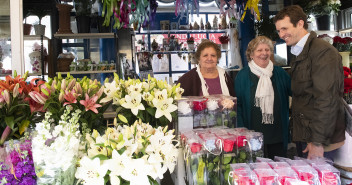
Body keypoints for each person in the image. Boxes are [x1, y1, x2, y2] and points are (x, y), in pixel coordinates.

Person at [274, 5, 345, 160]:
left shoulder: (322, 52)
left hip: (320, 140)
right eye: (279, 30)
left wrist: (317, 142)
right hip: (307, 135)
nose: (281, 34)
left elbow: (327, 99)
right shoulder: (300, 51)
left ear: (300, 24)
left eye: (285, 29)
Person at [235, 36, 291, 159]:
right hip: (252, 135)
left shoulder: (280, 73)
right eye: (259, 50)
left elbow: (295, 92)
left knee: (278, 169)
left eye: (267, 50)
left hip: (277, 133)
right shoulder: (242, 76)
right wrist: (242, 131)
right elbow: (237, 106)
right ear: (251, 54)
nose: (264, 53)